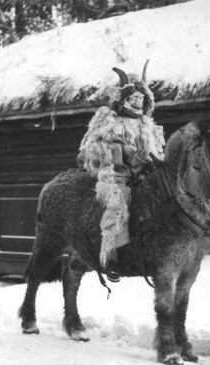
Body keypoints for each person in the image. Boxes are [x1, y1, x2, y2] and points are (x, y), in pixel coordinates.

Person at [77, 61, 165, 282]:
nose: (137, 102)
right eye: (132, 98)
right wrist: (121, 149)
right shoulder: (109, 120)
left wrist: (154, 161)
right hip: (118, 171)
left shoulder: (148, 125)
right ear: (123, 99)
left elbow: (156, 150)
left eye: (140, 99)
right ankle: (114, 252)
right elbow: (95, 145)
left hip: (145, 171)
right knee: (120, 199)